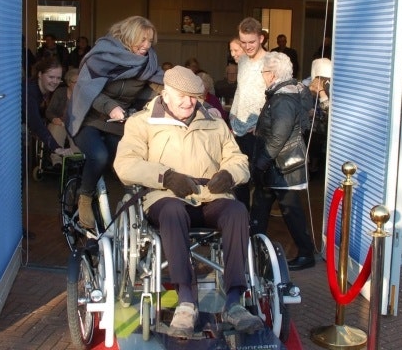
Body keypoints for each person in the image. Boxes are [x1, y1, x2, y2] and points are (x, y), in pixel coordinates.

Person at [113, 65, 264, 338]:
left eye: (194, 96)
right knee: (172, 211)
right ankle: (186, 300)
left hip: (210, 196)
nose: (188, 102)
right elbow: (125, 164)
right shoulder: (141, 122)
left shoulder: (215, 122)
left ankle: (233, 300)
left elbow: (238, 159)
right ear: (166, 93)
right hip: (165, 197)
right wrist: (166, 176)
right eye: (182, 95)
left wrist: (229, 175)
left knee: (237, 211)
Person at [67, 16, 164, 229]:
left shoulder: (148, 61)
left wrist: (178, 95)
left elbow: (159, 84)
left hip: (119, 120)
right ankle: (84, 197)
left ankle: (135, 205)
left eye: (150, 41)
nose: (147, 46)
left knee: (127, 158)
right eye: (143, 40)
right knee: (99, 155)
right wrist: (111, 106)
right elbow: (87, 89)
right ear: (129, 37)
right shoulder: (101, 56)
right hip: (89, 116)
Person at [250, 52, 315, 271]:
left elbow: (279, 135)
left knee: (289, 211)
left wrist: (262, 162)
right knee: (263, 206)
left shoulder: (282, 98)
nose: (262, 75)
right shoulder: (289, 93)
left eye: (264, 71)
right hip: (281, 163)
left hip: (281, 165)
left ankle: (305, 253)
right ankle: (252, 251)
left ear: (273, 74)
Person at [229, 17, 268, 210]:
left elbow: (274, 98)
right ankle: (242, 216)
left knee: (258, 179)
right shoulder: (242, 60)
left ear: (261, 38)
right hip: (238, 128)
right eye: (243, 42)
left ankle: (257, 222)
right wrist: (233, 115)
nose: (247, 46)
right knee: (239, 176)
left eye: (251, 42)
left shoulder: (270, 62)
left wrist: (262, 124)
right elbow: (240, 89)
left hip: (257, 130)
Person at [23, 56, 73, 164]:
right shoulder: (30, 91)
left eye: (58, 78)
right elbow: (35, 122)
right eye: (51, 77)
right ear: (40, 74)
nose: (55, 81)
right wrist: (56, 148)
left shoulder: (41, 90)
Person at [45, 68, 81, 166]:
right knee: (57, 129)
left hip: (74, 124)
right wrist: (54, 119)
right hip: (59, 122)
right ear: (69, 83)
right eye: (76, 82)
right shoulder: (60, 92)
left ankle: (75, 158)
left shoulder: (82, 96)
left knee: (77, 130)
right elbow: (49, 111)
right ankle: (57, 161)